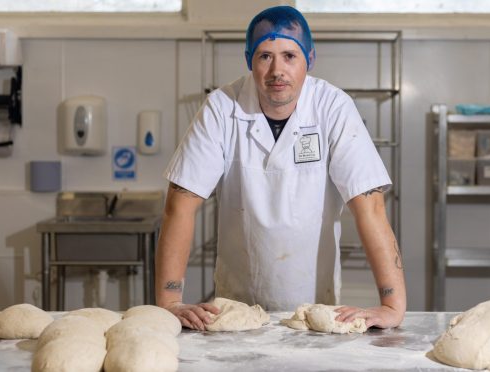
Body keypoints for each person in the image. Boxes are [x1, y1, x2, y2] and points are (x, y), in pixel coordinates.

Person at [156, 5, 406, 331]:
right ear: (249, 60)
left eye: (289, 55)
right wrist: (169, 302)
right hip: (235, 310)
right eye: (265, 56)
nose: (277, 70)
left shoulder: (332, 108)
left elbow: (370, 206)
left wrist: (392, 304)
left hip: (317, 311)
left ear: (309, 59)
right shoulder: (221, 108)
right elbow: (180, 205)